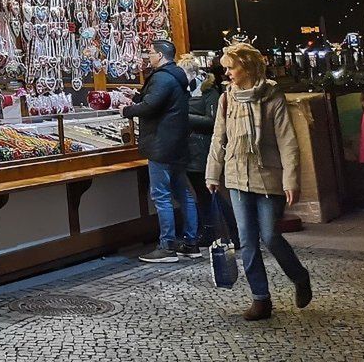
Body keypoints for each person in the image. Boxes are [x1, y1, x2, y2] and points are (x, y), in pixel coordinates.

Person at [206, 41, 311, 321]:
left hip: (268, 176)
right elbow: (220, 138)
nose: (226, 73)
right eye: (225, 68)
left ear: (248, 67)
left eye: (232, 67)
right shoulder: (226, 98)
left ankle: (299, 277)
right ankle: (261, 299)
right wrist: (212, 174)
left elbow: (287, 140)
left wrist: (291, 180)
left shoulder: (271, 96)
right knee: (248, 241)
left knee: (271, 235)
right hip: (237, 176)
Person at [121, 39, 199, 262]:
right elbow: (158, 100)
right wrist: (136, 95)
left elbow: (151, 106)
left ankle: (167, 246)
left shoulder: (163, 77)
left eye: (151, 53)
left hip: (161, 146)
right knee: (183, 193)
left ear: (161, 55)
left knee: (162, 196)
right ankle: (191, 242)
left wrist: (126, 110)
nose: (149, 56)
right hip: (176, 145)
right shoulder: (176, 76)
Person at [180, 54, 239, 245]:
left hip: (203, 150)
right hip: (191, 150)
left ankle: (234, 233)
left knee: (212, 193)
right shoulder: (186, 92)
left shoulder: (209, 93)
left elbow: (212, 121)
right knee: (203, 194)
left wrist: (184, 116)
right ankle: (210, 233)